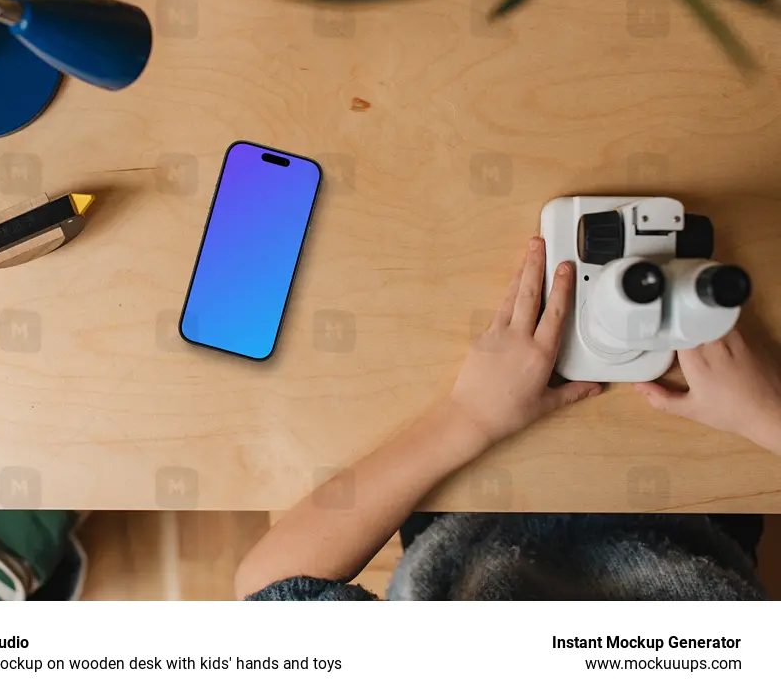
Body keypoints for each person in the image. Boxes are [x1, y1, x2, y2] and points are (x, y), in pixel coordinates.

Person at [235, 236, 781, 601]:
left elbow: (273, 587)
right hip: (701, 521)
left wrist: (469, 416)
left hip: (466, 515)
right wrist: (767, 414)